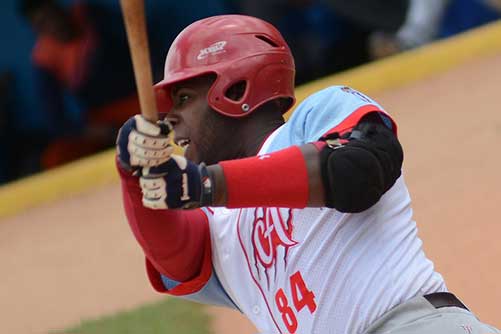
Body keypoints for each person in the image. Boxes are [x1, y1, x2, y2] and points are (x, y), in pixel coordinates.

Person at [115, 15, 500, 334]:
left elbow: (358, 170)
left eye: (183, 99)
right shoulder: (215, 222)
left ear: (233, 88)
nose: (170, 120)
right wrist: (134, 176)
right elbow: (173, 258)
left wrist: (207, 185)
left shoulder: (316, 116)